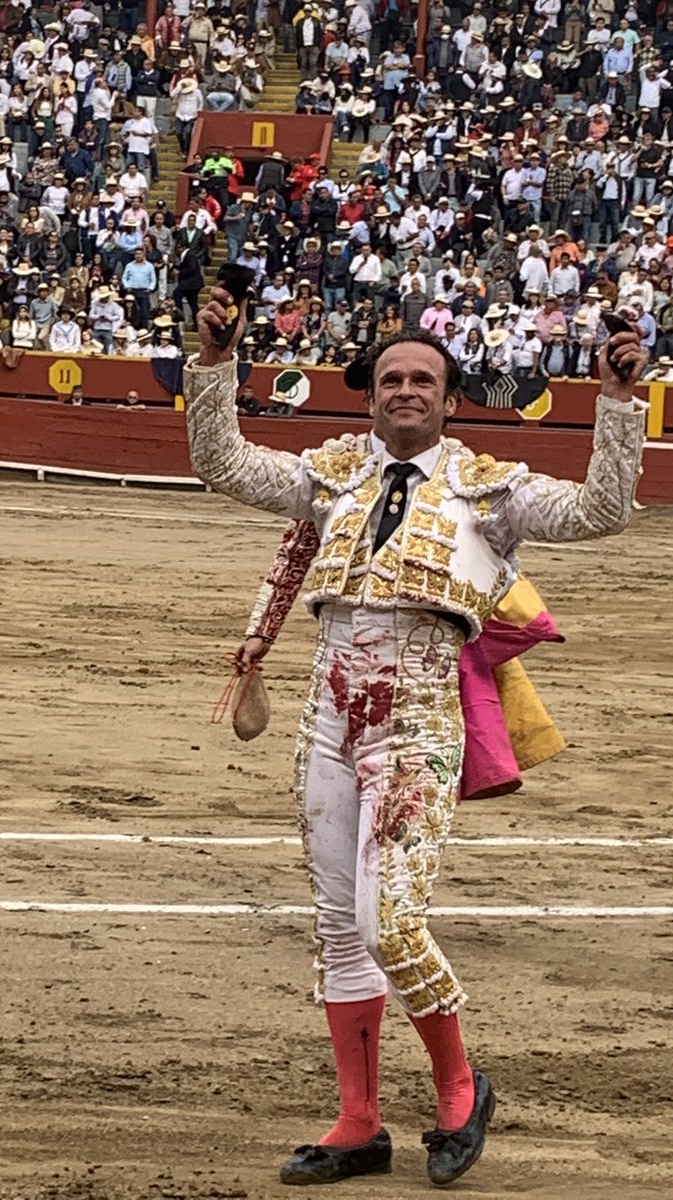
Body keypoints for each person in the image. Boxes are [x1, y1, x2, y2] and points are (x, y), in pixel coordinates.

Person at [184, 285, 648, 1189]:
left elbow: (599, 513)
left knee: (388, 918)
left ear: (447, 398)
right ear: (371, 395)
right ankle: (359, 1122)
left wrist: (620, 404)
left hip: (418, 714)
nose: (404, 390)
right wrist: (215, 362)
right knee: (336, 927)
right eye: (391, 378)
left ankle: (459, 1088)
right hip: (329, 710)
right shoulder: (329, 476)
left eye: (422, 380)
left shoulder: (491, 491)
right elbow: (223, 466)